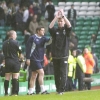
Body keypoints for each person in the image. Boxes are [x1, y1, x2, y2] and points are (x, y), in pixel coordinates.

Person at [49, 9, 72, 95]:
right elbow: (50, 27)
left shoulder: (66, 31)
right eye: (59, 21)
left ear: (63, 22)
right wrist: (56, 17)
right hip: (55, 56)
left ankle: (61, 90)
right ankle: (58, 89)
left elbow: (69, 25)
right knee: (56, 74)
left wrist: (63, 16)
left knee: (63, 73)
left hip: (64, 55)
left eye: (61, 21)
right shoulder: (55, 31)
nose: (59, 22)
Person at [26, 26, 52, 95]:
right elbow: (28, 48)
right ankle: (43, 90)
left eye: (44, 30)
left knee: (34, 75)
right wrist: (27, 58)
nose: (43, 31)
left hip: (40, 59)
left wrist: (53, 36)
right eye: (42, 30)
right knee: (41, 73)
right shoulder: (32, 38)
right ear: (38, 31)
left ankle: (30, 91)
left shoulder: (43, 38)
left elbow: (49, 41)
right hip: (34, 58)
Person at [2, 30, 22, 96]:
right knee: (15, 77)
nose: (16, 36)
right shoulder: (16, 42)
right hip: (14, 61)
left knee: (7, 77)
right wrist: (19, 58)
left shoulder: (4, 43)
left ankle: (6, 93)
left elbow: (3, 52)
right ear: (12, 35)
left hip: (7, 61)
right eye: (15, 34)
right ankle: (14, 93)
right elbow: (20, 51)